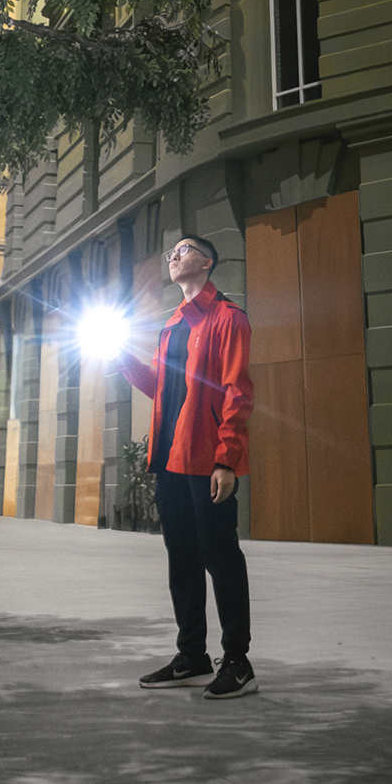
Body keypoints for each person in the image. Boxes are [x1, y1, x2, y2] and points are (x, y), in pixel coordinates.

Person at [121, 231, 257, 700]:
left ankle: (238, 662)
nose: (173, 258)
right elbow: (162, 388)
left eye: (181, 251)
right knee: (182, 559)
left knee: (221, 558)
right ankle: (193, 656)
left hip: (207, 460)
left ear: (205, 262)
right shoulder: (172, 324)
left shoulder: (228, 318)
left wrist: (227, 460)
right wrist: (123, 359)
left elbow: (237, 392)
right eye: (170, 253)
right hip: (171, 461)